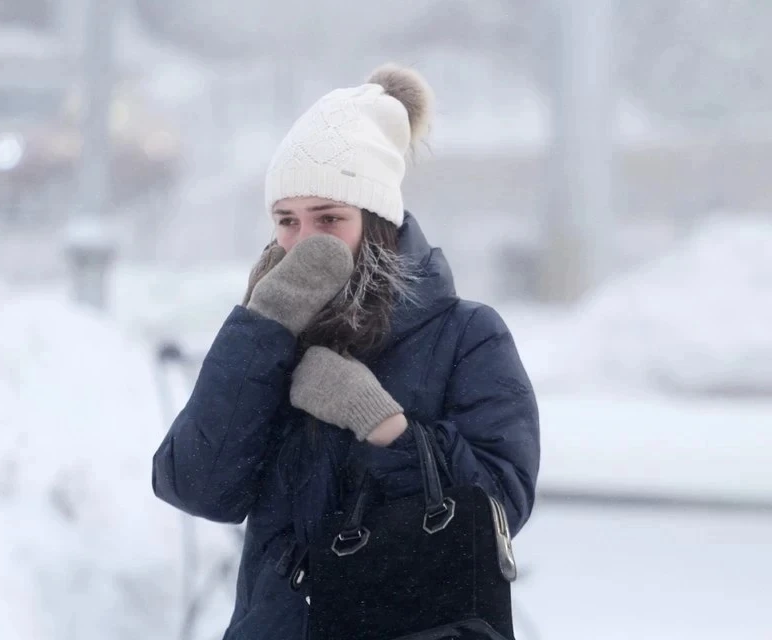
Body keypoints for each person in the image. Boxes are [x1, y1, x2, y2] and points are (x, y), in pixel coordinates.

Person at [152, 63, 540, 640]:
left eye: (329, 219)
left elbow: (499, 506)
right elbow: (196, 485)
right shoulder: (268, 336)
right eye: (287, 220)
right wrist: (262, 329)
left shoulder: (468, 334)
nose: (304, 242)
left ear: (377, 223)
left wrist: (385, 427)